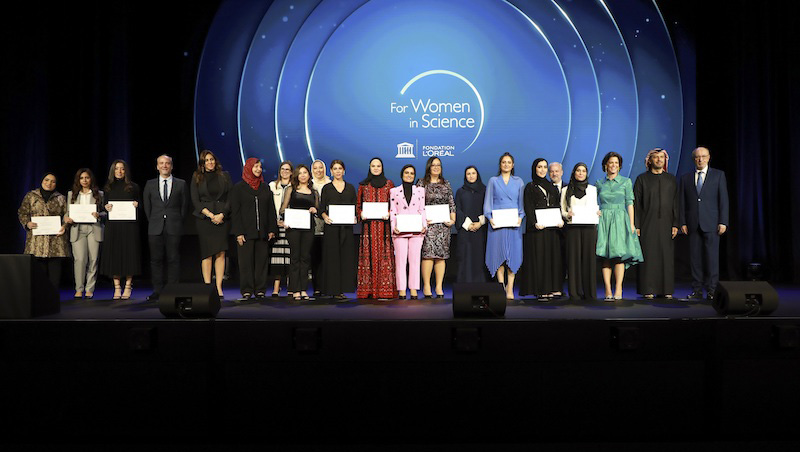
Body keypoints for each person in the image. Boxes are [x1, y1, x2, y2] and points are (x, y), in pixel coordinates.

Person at [679, 146, 729, 300]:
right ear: (693, 159)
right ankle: (697, 290)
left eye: (703, 156)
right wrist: (682, 222)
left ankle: (712, 290)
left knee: (712, 258)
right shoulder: (686, 178)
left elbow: (723, 200)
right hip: (693, 223)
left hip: (712, 223)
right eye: (697, 157)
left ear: (708, 158)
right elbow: (682, 202)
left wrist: (723, 221)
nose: (700, 159)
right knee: (695, 259)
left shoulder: (718, 175)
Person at [596, 152, 643, 300]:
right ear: (606, 165)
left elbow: (630, 203)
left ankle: (618, 288)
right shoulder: (599, 183)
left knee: (619, 256)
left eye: (616, 163)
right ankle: (607, 289)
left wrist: (632, 224)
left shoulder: (626, 182)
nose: (614, 165)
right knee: (605, 256)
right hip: (604, 220)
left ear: (620, 166)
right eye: (611, 162)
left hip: (620, 220)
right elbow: (593, 202)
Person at [634, 149, 679, 299]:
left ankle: (666, 289)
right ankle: (648, 289)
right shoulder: (641, 179)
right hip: (647, 223)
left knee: (666, 257)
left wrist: (675, 223)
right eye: (656, 157)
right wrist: (637, 225)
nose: (659, 160)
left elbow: (676, 203)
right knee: (648, 256)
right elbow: (636, 204)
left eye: (661, 157)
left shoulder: (671, 179)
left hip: (667, 223)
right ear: (650, 160)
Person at [142, 154, 188, 301]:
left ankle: (173, 290)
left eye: (167, 163)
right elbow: (147, 207)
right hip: (155, 227)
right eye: (161, 163)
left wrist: (177, 221)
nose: (164, 166)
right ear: (157, 166)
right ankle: (157, 290)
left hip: (174, 226)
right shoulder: (150, 184)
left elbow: (184, 207)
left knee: (173, 258)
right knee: (156, 260)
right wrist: (154, 221)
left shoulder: (181, 184)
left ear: (171, 166)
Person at [231, 158, 277, 300]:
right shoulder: (239, 188)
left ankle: (260, 289)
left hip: (262, 232)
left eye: (260, 167)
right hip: (245, 232)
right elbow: (235, 212)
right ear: (248, 168)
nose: (258, 169)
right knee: (246, 263)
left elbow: (271, 210)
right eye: (255, 166)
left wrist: (271, 229)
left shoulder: (265, 187)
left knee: (261, 262)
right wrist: (238, 232)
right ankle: (247, 289)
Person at [519, 158, 564, 300]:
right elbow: (528, 207)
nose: (543, 170)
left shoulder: (552, 187)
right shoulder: (530, 186)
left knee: (552, 258)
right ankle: (540, 289)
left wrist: (560, 220)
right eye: (540, 167)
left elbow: (557, 206)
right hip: (537, 229)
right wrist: (534, 222)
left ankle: (553, 287)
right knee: (539, 259)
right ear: (534, 169)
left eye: (545, 167)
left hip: (552, 229)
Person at [190, 150, 232, 298]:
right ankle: (207, 287)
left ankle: (219, 287)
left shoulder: (225, 176)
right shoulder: (197, 177)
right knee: (207, 253)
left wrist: (222, 214)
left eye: (212, 159)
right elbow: (195, 200)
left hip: (222, 218)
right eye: (207, 160)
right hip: (204, 219)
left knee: (221, 252)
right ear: (202, 163)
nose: (210, 162)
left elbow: (230, 197)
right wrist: (209, 215)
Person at [484, 152, 525, 300]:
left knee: (513, 255)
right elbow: (488, 201)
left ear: (513, 165)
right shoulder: (493, 181)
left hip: (514, 224)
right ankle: (501, 286)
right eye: (503, 162)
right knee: (498, 255)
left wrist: (520, 217)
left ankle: (510, 288)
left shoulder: (519, 181)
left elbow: (521, 202)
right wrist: (490, 217)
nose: (506, 165)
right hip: (497, 224)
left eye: (509, 162)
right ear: (500, 165)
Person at [18, 172, 69, 292]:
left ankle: (53, 298)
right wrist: (27, 223)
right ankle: (40, 298)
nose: (49, 183)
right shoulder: (31, 196)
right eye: (46, 180)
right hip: (36, 242)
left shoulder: (61, 198)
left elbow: (67, 215)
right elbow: (22, 212)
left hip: (56, 242)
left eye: (53, 181)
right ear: (42, 181)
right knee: (39, 276)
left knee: (54, 277)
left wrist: (64, 226)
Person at [356, 157, 396, 299]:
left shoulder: (389, 184)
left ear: (382, 167)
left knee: (385, 256)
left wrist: (389, 213)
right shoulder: (363, 185)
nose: (376, 168)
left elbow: (394, 204)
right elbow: (358, 205)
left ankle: (385, 290)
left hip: (385, 228)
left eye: (378, 166)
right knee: (369, 257)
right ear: (369, 167)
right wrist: (361, 214)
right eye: (373, 166)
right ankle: (368, 290)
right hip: (368, 229)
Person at [100, 160, 141, 300]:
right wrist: (106, 207)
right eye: (116, 168)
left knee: (129, 254)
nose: (119, 171)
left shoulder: (133, 187)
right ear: (113, 171)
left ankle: (128, 286)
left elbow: (141, 205)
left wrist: (137, 205)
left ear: (126, 171)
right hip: (113, 226)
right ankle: (117, 287)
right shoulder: (108, 187)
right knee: (114, 255)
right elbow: (103, 206)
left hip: (129, 226)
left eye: (122, 169)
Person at [417, 157, 456, 298]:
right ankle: (427, 286)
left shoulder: (446, 183)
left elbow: (451, 203)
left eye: (438, 165)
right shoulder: (421, 183)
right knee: (428, 255)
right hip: (428, 225)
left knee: (441, 256)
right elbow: (417, 203)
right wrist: (421, 220)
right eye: (433, 165)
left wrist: (452, 219)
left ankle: (439, 286)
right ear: (429, 167)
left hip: (443, 226)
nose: (436, 167)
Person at [64, 168, 106, 299]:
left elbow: (105, 212)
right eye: (81, 178)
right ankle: (79, 288)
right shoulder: (72, 194)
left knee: (93, 259)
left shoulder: (99, 194)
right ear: (78, 180)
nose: (84, 180)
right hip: (78, 229)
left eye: (87, 178)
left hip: (94, 229)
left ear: (91, 179)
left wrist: (99, 214)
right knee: (80, 260)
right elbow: (67, 212)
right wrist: (66, 218)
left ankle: (89, 289)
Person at [279, 164, 319, 301]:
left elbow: (318, 209)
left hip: (308, 228)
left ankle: (303, 289)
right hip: (293, 228)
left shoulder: (314, 192)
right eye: (300, 173)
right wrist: (285, 219)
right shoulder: (291, 189)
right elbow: (282, 209)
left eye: (305, 172)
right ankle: (295, 289)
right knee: (295, 257)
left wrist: (315, 210)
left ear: (309, 175)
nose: (302, 175)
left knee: (305, 258)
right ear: (296, 175)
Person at [560, 162, 599, 300]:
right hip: (573, 228)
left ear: (586, 173)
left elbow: (595, 207)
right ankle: (575, 292)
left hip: (589, 228)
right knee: (573, 259)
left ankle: (590, 293)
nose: (581, 173)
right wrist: (567, 215)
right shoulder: (566, 190)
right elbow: (562, 210)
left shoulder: (593, 189)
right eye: (578, 170)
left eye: (583, 171)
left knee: (589, 259)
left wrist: (597, 212)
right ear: (574, 173)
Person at [319, 160, 357, 300]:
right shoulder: (327, 188)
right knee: (332, 258)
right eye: (335, 168)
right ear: (331, 171)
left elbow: (355, 207)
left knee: (346, 258)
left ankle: (343, 289)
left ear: (344, 171)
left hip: (346, 229)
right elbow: (321, 209)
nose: (338, 171)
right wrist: (325, 217)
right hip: (332, 229)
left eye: (340, 168)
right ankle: (332, 289)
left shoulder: (350, 188)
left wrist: (355, 217)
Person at [390, 164, 427, 299]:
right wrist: (394, 226)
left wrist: (424, 225)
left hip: (417, 231)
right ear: (402, 175)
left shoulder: (420, 191)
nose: (409, 175)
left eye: (412, 173)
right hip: (400, 231)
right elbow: (393, 210)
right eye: (406, 173)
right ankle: (401, 289)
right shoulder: (394, 191)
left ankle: (413, 289)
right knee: (400, 261)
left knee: (415, 260)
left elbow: (422, 209)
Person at [454, 166, 489, 283]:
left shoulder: (485, 190)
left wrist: (481, 222)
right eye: (468, 174)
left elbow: (489, 208)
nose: (471, 176)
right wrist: (468, 224)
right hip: (465, 231)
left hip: (481, 230)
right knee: (465, 257)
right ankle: (465, 285)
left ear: (477, 175)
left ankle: (480, 284)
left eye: (473, 173)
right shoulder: (460, 191)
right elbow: (457, 209)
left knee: (479, 257)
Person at [268, 161, 293, 297]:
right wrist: (274, 221)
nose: (285, 171)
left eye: (287, 169)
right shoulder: (272, 186)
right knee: (276, 257)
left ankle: (290, 286)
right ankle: (276, 287)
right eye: (282, 169)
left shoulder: (295, 186)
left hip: (290, 225)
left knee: (290, 256)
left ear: (291, 172)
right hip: (276, 225)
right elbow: (268, 205)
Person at [310, 159, 331, 296]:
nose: (318, 170)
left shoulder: (330, 184)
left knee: (327, 257)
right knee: (315, 257)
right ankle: (317, 287)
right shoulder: (309, 185)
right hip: (313, 226)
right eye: (315, 168)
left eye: (321, 168)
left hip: (329, 224)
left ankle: (328, 286)